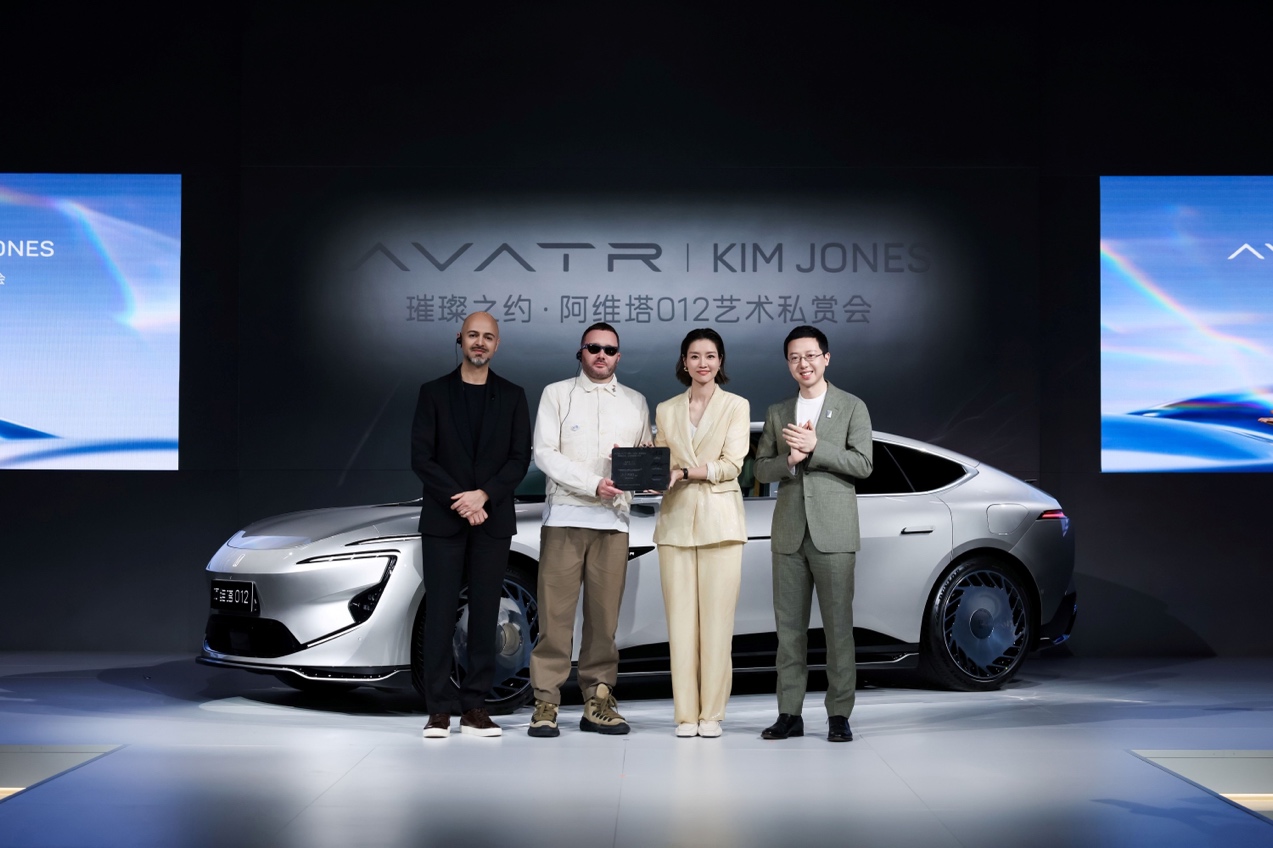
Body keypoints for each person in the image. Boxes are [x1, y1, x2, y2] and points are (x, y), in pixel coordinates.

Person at [527, 322, 652, 737]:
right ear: (580, 352)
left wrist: (646, 471)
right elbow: (545, 454)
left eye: (609, 350)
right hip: (565, 517)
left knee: (604, 621)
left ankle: (598, 699)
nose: (601, 355)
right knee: (555, 619)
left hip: (613, 522)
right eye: (593, 347)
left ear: (619, 356)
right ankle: (546, 702)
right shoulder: (557, 394)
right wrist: (593, 483)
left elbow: (644, 459)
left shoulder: (635, 402)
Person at [411, 312, 532, 738]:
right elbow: (422, 458)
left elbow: (519, 459)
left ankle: (475, 708)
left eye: (488, 337)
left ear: (497, 344)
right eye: (473, 335)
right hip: (444, 520)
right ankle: (438, 710)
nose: (480, 342)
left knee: (485, 614)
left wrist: (484, 496)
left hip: (492, 519)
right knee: (440, 615)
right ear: (459, 339)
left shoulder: (513, 395)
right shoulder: (433, 393)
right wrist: (462, 500)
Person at [753, 325, 872, 743]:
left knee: (839, 630)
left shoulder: (852, 406)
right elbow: (759, 468)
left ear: (826, 358)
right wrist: (789, 459)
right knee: (789, 632)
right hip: (789, 532)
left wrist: (816, 447)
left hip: (834, 532)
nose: (803, 364)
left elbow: (863, 465)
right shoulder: (778, 411)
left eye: (810, 355)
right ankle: (789, 713)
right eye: (794, 357)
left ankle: (839, 714)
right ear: (788, 363)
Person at [653, 328, 750, 738]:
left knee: (716, 626)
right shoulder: (666, 409)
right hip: (675, 523)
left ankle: (711, 714)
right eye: (695, 356)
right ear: (684, 361)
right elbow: (661, 463)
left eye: (710, 356)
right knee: (680, 626)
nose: (703, 363)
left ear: (720, 361)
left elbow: (732, 464)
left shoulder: (736, 405)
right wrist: (647, 470)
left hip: (721, 523)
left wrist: (685, 472)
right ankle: (685, 715)